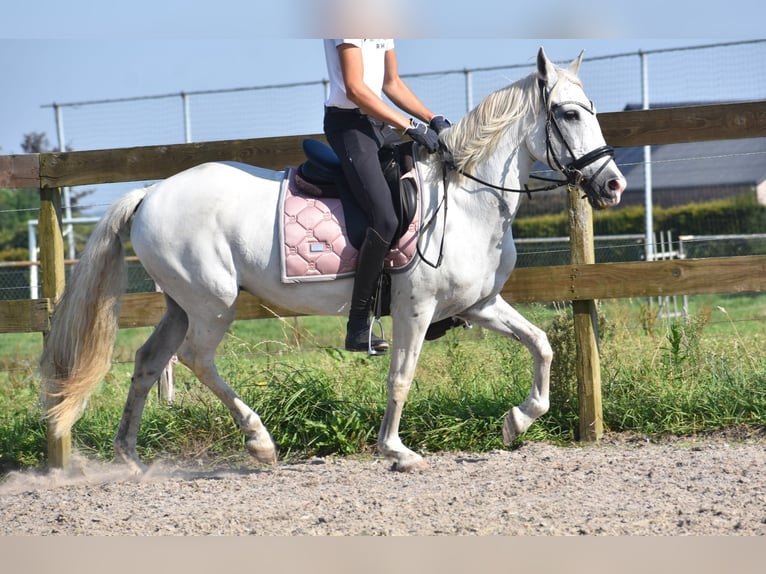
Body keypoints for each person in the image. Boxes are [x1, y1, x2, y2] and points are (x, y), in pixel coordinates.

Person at [323, 38, 451, 354]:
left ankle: (426, 305)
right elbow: (355, 89)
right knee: (384, 217)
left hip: (378, 123)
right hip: (349, 126)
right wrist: (408, 126)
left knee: (420, 198)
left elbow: (390, 83)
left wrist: (432, 118)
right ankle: (357, 325)